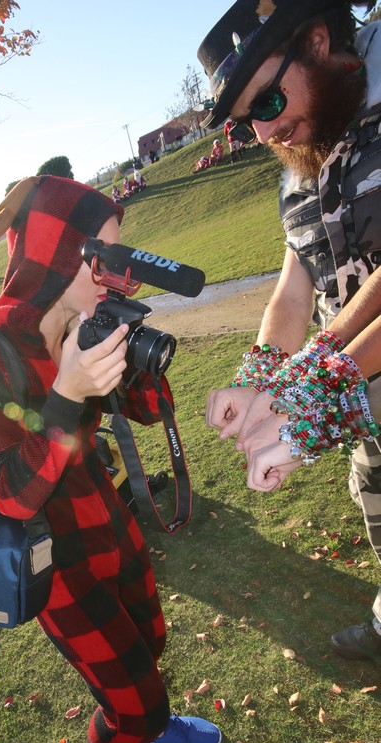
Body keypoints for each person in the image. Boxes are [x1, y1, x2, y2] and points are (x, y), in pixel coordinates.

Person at [0, 176, 222, 743]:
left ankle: (148, 727)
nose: (116, 272)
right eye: (103, 255)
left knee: (149, 652)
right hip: (57, 566)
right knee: (135, 702)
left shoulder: (83, 323)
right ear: (58, 254)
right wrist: (68, 390)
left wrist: (135, 356)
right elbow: (12, 493)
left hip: (117, 531)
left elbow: (150, 413)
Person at [197, 0, 381, 664]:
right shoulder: (299, 162)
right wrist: (259, 379)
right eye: (249, 119)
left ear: (319, 41)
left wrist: (322, 382)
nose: (267, 128)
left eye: (269, 98)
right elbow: (293, 290)